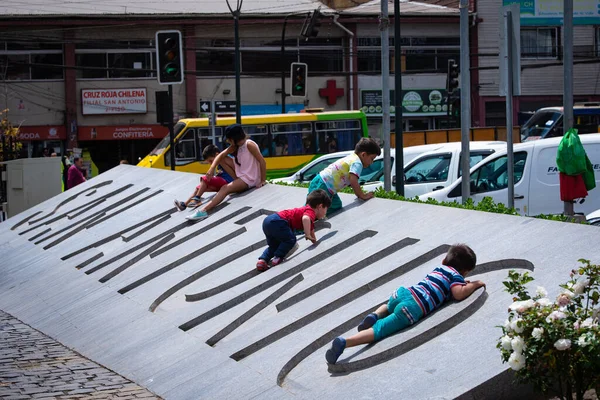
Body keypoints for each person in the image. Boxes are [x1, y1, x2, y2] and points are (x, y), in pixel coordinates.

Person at [325, 244, 485, 364]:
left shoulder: (439, 268)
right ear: (464, 272)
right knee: (379, 330)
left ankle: (375, 314)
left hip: (404, 293)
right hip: (412, 307)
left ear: (444, 260)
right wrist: (474, 284)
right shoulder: (456, 277)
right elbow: (458, 294)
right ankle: (345, 342)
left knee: (389, 305)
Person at [187, 124, 266, 221]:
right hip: (242, 176)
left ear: (233, 139)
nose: (228, 142)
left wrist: (262, 180)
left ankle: (203, 211)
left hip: (250, 179)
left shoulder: (249, 145)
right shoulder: (235, 147)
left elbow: (262, 161)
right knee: (222, 158)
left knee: (225, 188)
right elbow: (220, 156)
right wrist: (212, 168)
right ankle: (235, 184)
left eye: (229, 140)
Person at [256, 189, 331, 271]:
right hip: (279, 221)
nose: (325, 213)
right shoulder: (310, 211)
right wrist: (307, 234)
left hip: (268, 222)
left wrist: (314, 241)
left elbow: (311, 230)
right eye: (326, 209)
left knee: (274, 245)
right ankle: (277, 257)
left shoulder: (308, 212)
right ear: (320, 206)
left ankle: (262, 260)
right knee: (291, 239)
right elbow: (305, 219)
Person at [307, 137, 381, 216]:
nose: (372, 162)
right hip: (323, 186)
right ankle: (299, 225)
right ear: (363, 154)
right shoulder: (357, 163)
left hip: (326, 186)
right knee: (311, 211)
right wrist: (362, 195)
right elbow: (353, 181)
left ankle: (318, 220)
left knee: (336, 206)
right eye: (372, 159)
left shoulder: (352, 157)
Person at [174, 144, 236, 211]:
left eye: (211, 161)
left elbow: (235, 168)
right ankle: (184, 204)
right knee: (199, 187)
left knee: (205, 179)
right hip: (223, 181)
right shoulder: (220, 162)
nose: (211, 163)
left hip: (228, 181)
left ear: (216, 155)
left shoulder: (225, 158)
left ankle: (197, 198)